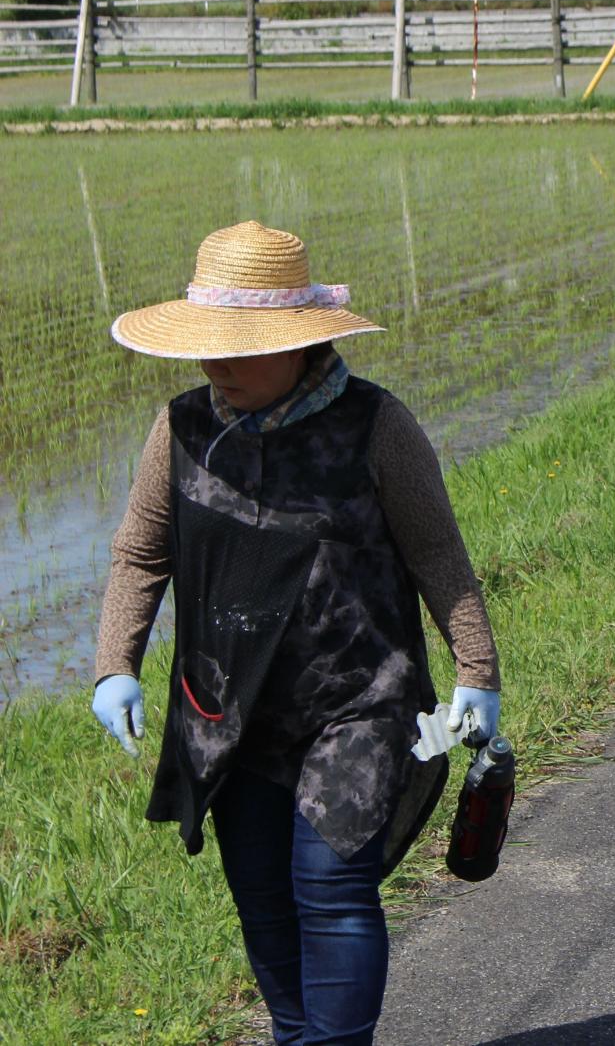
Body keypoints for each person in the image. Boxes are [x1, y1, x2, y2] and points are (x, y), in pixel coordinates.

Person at [88, 221, 502, 1046]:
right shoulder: (181, 429)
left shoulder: (375, 426)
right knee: (262, 892)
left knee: (331, 886)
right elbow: (140, 553)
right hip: (228, 707)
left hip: (358, 699)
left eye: (240, 349)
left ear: (299, 344)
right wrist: (115, 663)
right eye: (209, 348)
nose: (217, 367)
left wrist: (477, 671)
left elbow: (439, 558)